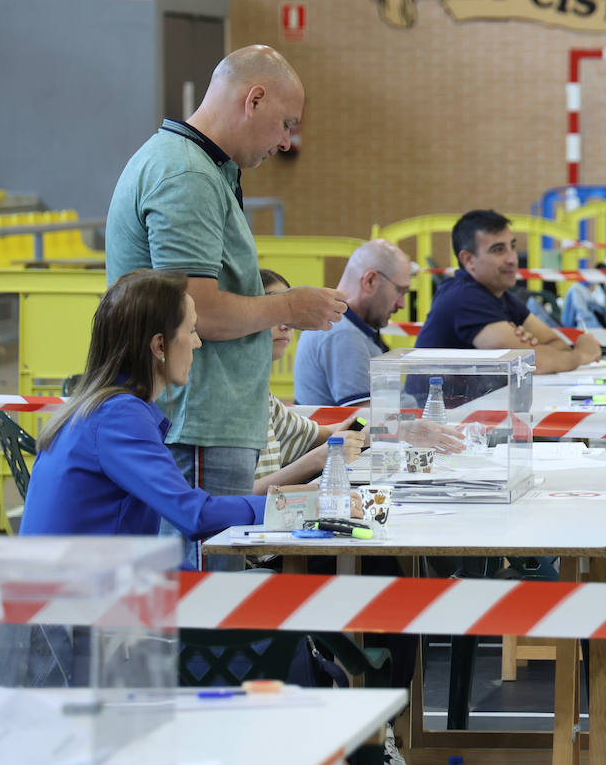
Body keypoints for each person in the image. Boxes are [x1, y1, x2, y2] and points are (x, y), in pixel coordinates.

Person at [104, 45, 348, 570]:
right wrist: (287, 306)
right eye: (285, 124)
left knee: (216, 590)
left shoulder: (203, 168)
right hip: (196, 421)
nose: (286, 141)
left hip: (210, 419)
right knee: (206, 598)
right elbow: (196, 312)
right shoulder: (186, 175)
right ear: (254, 98)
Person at [20, 270, 266, 544]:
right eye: (192, 330)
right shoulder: (119, 416)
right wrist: (287, 508)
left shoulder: (98, 409)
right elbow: (195, 516)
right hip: (83, 583)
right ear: (160, 345)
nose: (197, 343)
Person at [415, 209, 602, 374]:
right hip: (432, 412)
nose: (512, 259)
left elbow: (557, 346)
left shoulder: (501, 296)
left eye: (512, 246)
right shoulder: (463, 298)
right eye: (498, 250)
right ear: (468, 260)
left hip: (465, 409)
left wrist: (532, 351)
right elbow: (537, 363)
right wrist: (581, 354)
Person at [253, 269, 358, 493]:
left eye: (290, 314)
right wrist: (317, 459)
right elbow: (236, 497)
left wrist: (401, 429)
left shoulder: (261, 397)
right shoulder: (230, 398)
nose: (287, 324)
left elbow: (326, 435)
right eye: (275, 310)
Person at [294, 240, 413, 407]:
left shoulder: (348, 328)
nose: (402, 304)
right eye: (400, 291)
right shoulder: (343, 334)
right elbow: (363, 420)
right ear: (370, 281)